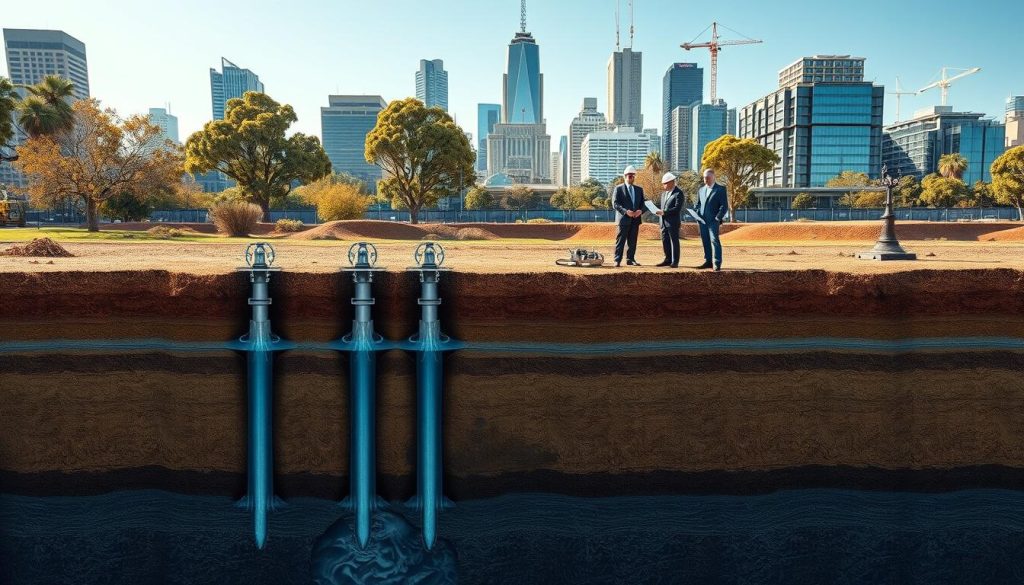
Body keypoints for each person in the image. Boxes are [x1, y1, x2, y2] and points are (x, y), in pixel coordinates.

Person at [693, 168, 728, 271]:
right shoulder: (701, 190)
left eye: (708, 178)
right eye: (704, 178)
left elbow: (724, 206)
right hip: (702, 221)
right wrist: (697, 213)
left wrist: (718, 218)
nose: (706, 180)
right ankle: (708, 261)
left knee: (714, 240)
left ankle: (717, 263)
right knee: (705, 241)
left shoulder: (720, 189)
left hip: (713, 221)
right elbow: (698, 204)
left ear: (713, 177)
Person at [611, 165, 644, 267]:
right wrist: (625, 211)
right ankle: (617, 260)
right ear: (625, 176)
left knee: (632, 241)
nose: (631, 178)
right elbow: (615, 203)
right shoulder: (619, 188)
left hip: (635, 220)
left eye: (633, 176)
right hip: (623, 220)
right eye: (629, 176)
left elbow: (643, 203)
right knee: (620, 241)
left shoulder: (639, 189)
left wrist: (641, 211)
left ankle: (630, 259)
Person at [654, 172, 683, 268]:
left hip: (672, 223)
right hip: (663, 222)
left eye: (665, 183)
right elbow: (662, 207)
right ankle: (667, 259)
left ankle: (675, 261)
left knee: (674, 241)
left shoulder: (678, 193)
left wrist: (664, 212)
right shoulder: (663, 194)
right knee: (665, 241)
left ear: (671, 182)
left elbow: (677, 208)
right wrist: (657, 211)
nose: (663, 185)